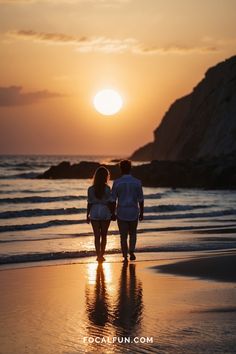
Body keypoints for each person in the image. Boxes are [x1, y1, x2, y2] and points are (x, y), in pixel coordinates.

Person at [111, 160, 144, 262]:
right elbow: (141, 199)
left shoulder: (116, 182)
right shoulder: (137, 182)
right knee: (133, 233)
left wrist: (112, 213)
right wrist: (142, 212)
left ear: (121, 169)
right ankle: (132, 251)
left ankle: (125, 256)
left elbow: (113, 200)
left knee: (123, 235)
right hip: (133, 211)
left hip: (121, 211)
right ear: (130, 168)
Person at [87, 166, 112, 262]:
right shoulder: (107, 189)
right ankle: (102, 254)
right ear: (105, 176)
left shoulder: (90, 189)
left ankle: (98, 256)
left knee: (96, 236)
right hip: (105, 212)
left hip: (94, 212)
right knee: (104, 235)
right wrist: (112, 213)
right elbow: (110, 202)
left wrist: (87, 215)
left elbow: (89, 203)